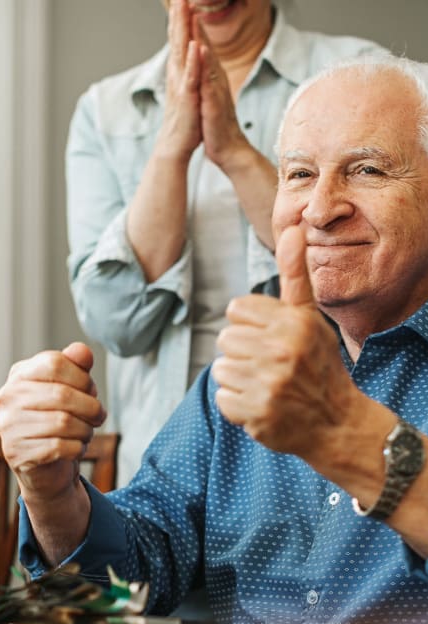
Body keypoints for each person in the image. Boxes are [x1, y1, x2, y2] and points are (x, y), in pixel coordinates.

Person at [0, 53, 428, 624]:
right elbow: (134, 576)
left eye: (367, 170)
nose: (321, 210)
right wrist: (52, 491)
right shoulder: (245, 365)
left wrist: (342, 435)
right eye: (299, 174)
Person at [67, 0, 385, 483]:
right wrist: (174, 141)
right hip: (162, 464)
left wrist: (233, 150)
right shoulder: (105, 111)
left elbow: (366, 282)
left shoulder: (357, 77)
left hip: (315, 455)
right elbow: (115, 323)